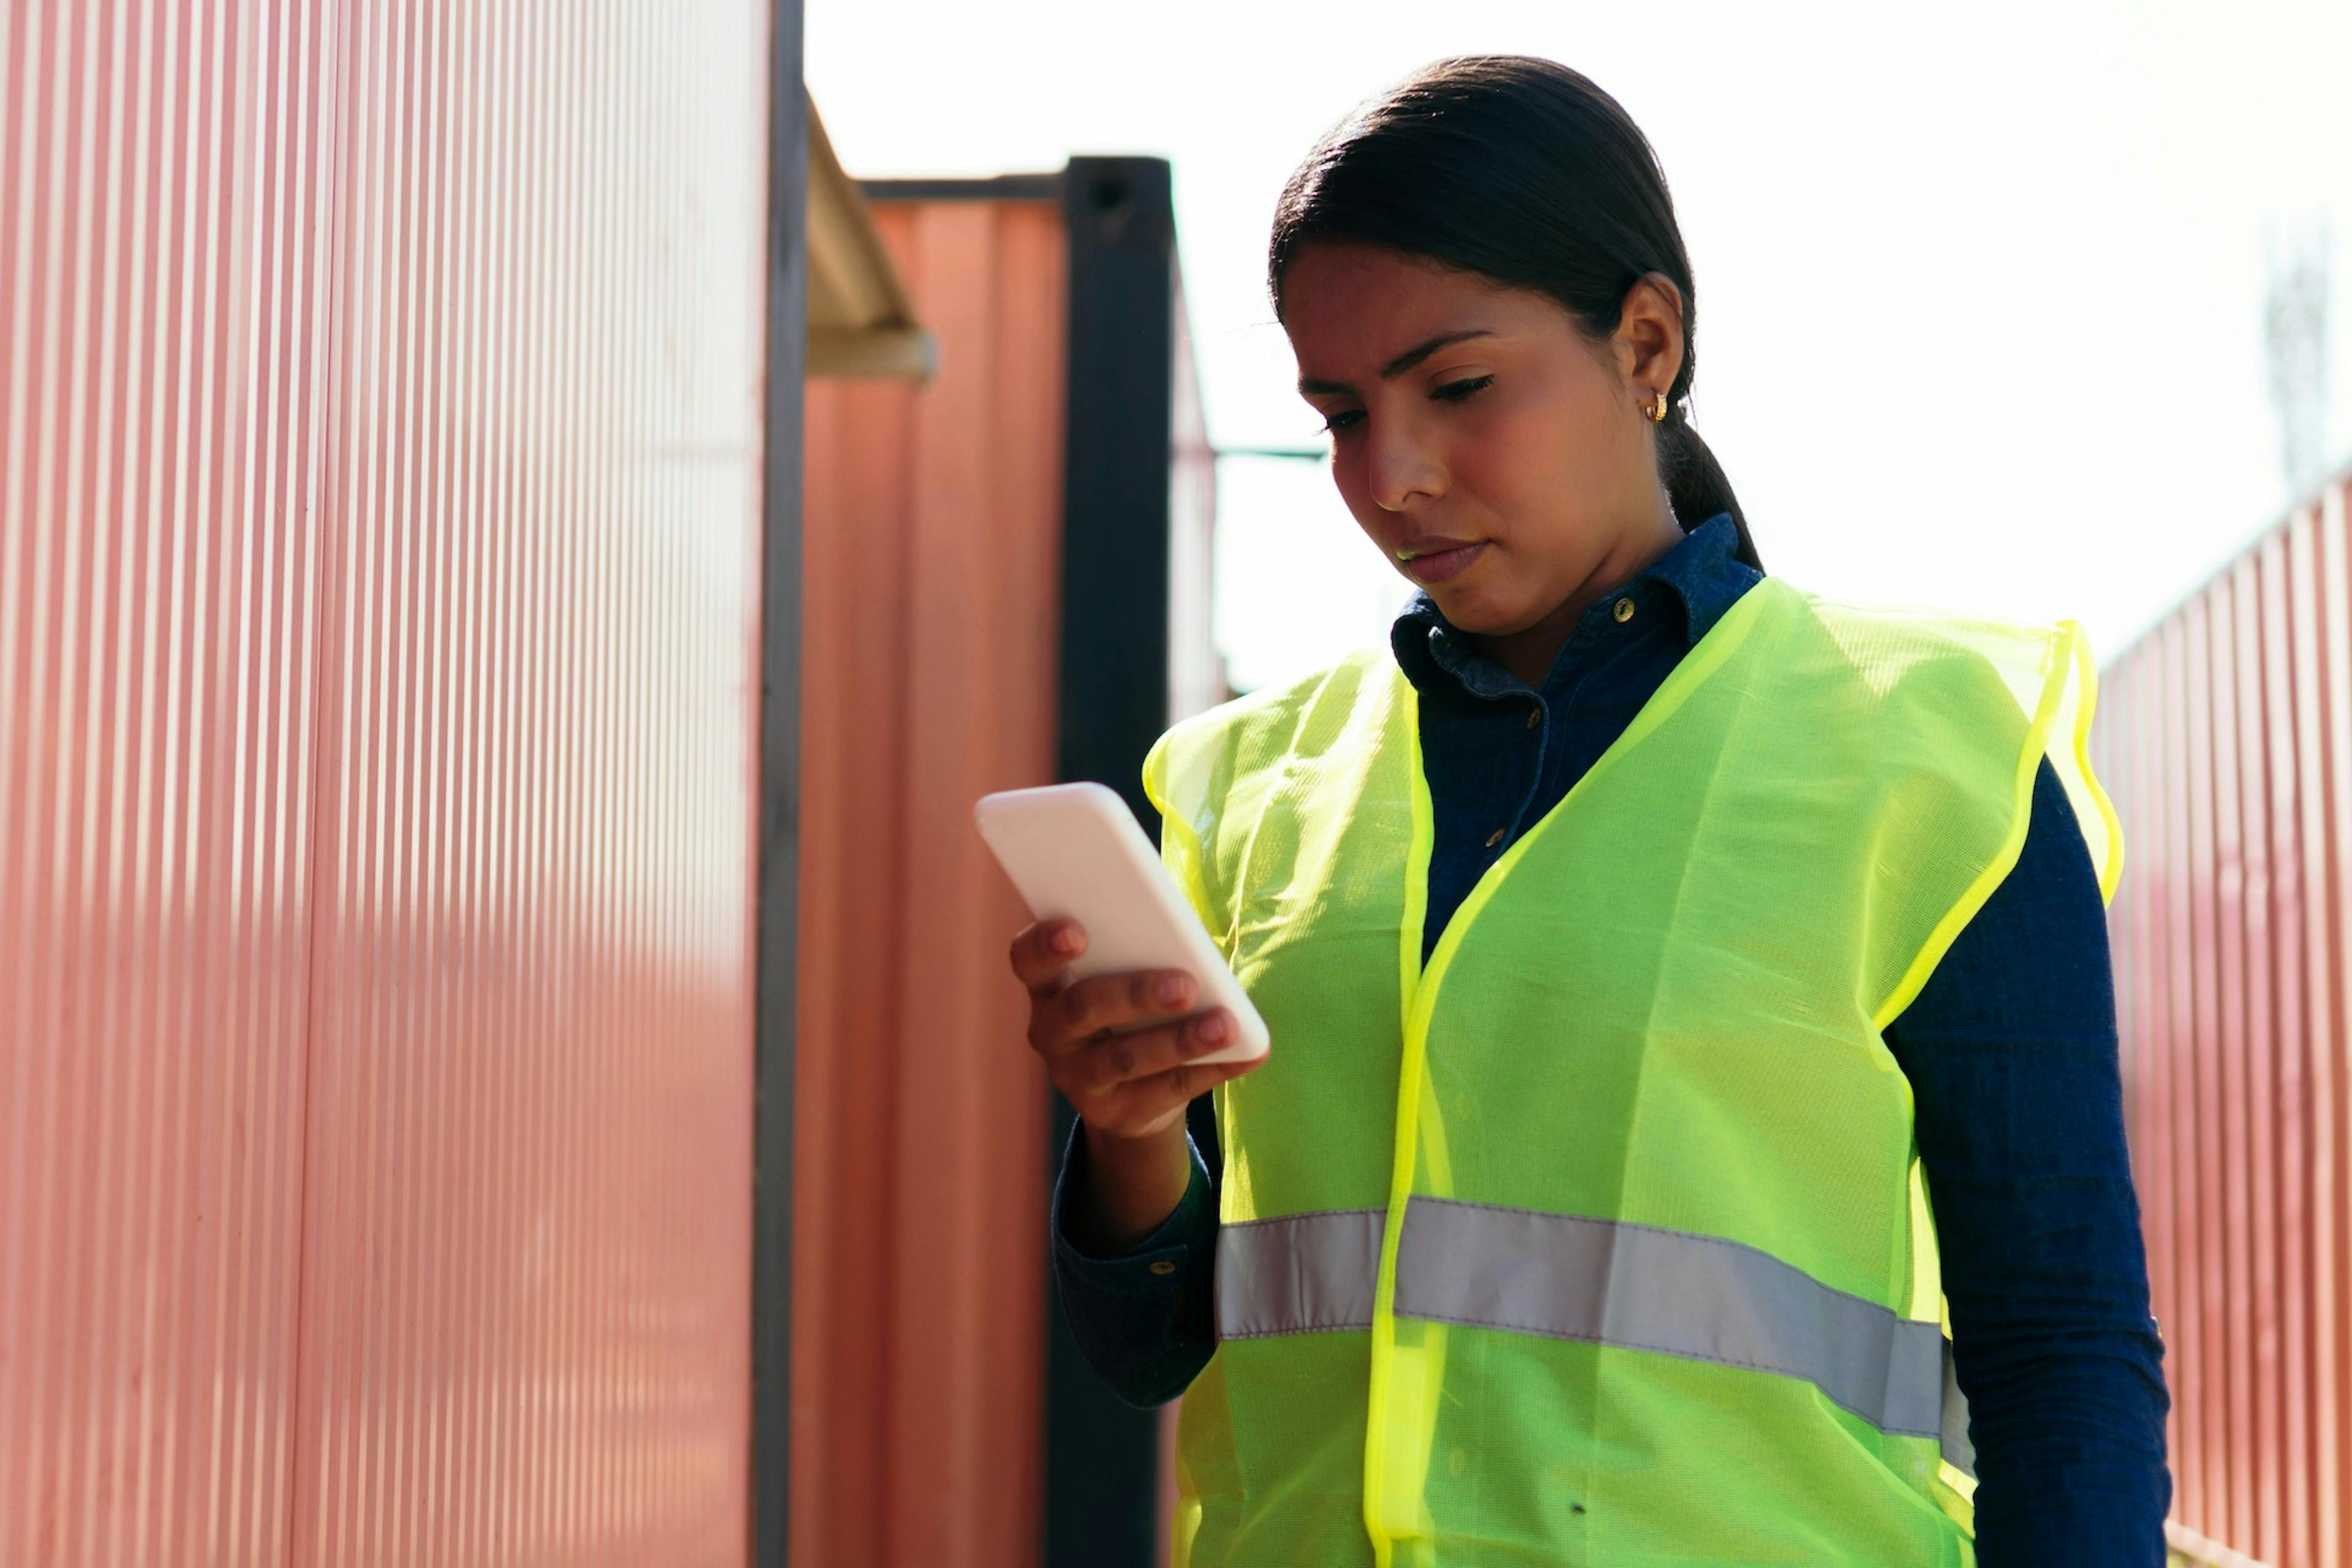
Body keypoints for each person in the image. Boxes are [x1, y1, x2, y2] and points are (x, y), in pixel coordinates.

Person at [1005, 55, 2171, 1567]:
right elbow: (1153, 1344)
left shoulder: (1929, 756)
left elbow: (2061, 1350)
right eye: (1341, 411)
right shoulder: (1243, 788)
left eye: (1459, 388)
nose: (1391, 476)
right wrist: (1130, 1133)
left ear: (1645, 343)